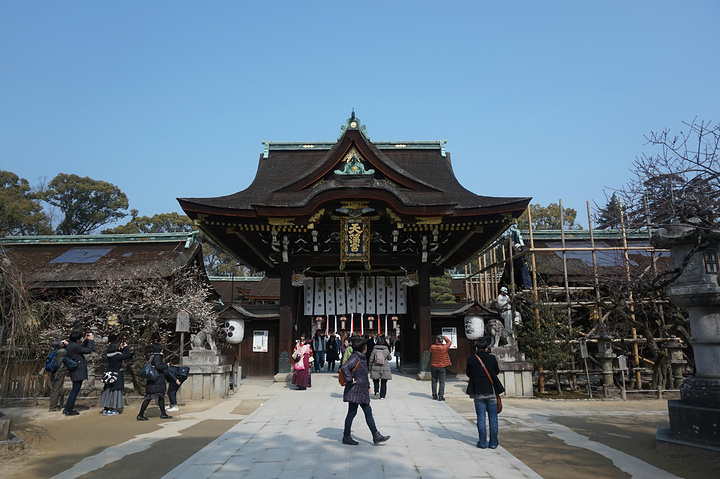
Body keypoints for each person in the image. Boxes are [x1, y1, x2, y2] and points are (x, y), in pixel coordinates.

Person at [340, 337, 390, 446]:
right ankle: (346, 436)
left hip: (362, 390)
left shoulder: (361, 357)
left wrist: (367, 386)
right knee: (352, 413)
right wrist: (349, 379)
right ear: (363, 348)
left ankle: (376, 435)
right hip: (355, 390)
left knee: (368, 412)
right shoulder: (355, 357)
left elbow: (363, 374)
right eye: (365, 346)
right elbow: (344, 368)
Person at [466, 338, 505, 449]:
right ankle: (493, 442)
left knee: (481, 418)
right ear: (487, 348)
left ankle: (482, 442)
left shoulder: (472, 359)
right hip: (491, 392)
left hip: (478, 392)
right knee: (493, 418)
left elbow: (468, 373)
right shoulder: (492, 358)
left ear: (476, 348)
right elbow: (496, 372)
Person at [137, 343, 172, 421]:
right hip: (157, 380)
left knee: (159, 397)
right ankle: (140, 415)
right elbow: (159, 366)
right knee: (150, 398)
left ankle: (163, 413)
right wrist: (166, 365)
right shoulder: (157, 357)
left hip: (153, 381)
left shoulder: (151, 356)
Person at [63, 330, 95, 416]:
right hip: (78, 371)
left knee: (74, 389)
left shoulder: (70, 345)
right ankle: (68, 409)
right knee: (75, 390)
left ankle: (67, 408)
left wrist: (86, 341)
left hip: (74, 370)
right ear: (77, 339)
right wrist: (91, 340)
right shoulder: (75, 346)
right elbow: (88, 350)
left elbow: (81, 349)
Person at [99, 339, 132, 416]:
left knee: (107, 392)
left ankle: (106, 409)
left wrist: (122, 348)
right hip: (117, 376)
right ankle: (112, 409)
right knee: (115, 392)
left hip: (109, 375)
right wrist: (126, 347)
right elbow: (128, 355)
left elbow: (121, 354)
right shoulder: (117, 356)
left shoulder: (110, 355)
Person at [48, 339, 68, 412]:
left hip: (53, 371)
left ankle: (52, 405)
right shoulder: (61, 351)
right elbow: (71, 350)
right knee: (57, 389)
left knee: (54, 389)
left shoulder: (53, 351)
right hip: (59, 372)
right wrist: (67, 344)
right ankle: (53, 407)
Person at [429, 334, 452, 401]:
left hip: (433, 365)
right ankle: (441, 396)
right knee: (442, 381)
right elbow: (449, 342)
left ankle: (434, 395)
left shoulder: (432, 347)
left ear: (436, 340)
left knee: (434, 381)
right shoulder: (444, 347)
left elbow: (430, 351)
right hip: (442, 366)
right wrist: (444, 337)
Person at [369, 335, 392, 399]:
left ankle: (376, 392)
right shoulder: (386, 350)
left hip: (375, 366)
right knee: (384, 382)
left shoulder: (374, 350)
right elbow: (390, 358)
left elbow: (371, 359)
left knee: (376, 380)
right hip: (384, 367)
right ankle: (382, 395)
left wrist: (370, 367)